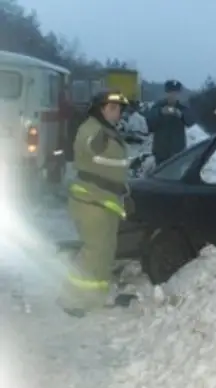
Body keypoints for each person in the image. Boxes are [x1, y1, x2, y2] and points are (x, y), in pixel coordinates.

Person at [61, 89, 134, 317]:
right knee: (93, 251)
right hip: (91, 200)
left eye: (119, 109)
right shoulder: (91, 129)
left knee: (105, 251)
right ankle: (71, 298)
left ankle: (99, 295)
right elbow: (89, 144)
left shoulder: (107, 130)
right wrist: (100, 140)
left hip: (107, 200)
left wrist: (126, 193)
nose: (118, 112)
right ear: (99, 109)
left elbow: (114, 167)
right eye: (112, 108)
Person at [146, 79, 194, 165]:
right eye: (170, 93)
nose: (173, 95)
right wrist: (160, 113)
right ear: (166, 93)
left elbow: (191, 122)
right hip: (161, 152)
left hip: (177, 152)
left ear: (179, 94)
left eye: (175, 93)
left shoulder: (183, 108)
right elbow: (149, 124)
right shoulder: (158, 106)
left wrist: (181, 115)